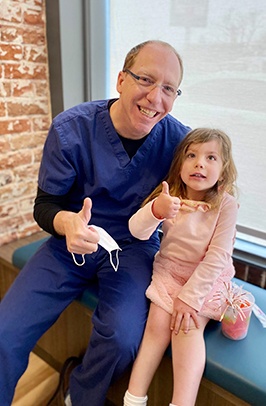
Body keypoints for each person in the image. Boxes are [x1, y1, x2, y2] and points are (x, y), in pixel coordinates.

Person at [0, 40, 190, 406]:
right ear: (121, 79)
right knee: (5, 334)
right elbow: (46, 205)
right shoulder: (72, 128)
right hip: (71, 241)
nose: (155, 98)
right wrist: (67, 223)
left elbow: (210, 196)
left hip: (134, 250)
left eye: (169, 88)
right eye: (146, 80)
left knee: (121, 339)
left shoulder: (180, 141)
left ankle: (81, 393)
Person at [123, 128, 238, 406]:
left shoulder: (226, 205)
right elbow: (136, 231)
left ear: (222, 172)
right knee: (157, 325)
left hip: (206, 277)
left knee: (186, 326)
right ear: (180, 164)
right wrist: (155, 211)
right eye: (192, 155)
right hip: (170, 271)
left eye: (211, 157)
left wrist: (189, 298)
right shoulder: (169, 194)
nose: (200, 162)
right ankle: (133, 399)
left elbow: (218, 257)